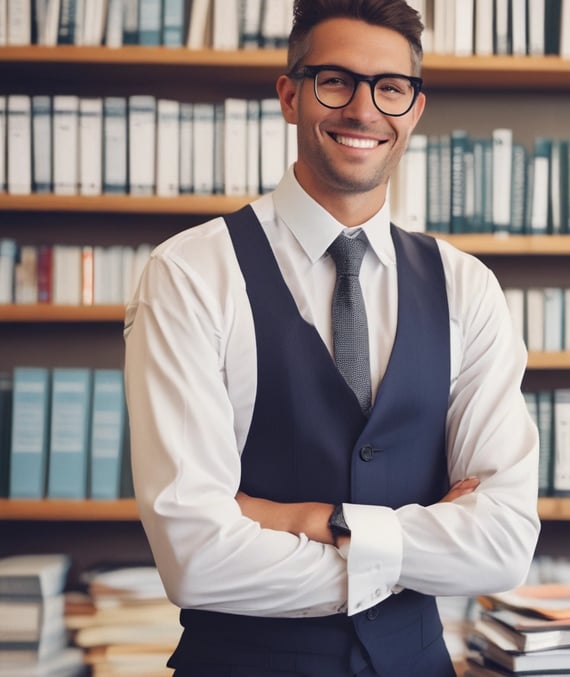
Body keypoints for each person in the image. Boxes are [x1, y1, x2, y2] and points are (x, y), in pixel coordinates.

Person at [123, 1, 540, 675]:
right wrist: (419, 548)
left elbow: (503, 545)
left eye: (390, 87)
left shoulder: (467, 288)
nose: (364, 110)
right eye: (336, 81)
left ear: (414, 109)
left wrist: (317, 519)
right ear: (290, 95)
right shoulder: (190, 274)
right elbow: (197, 559)